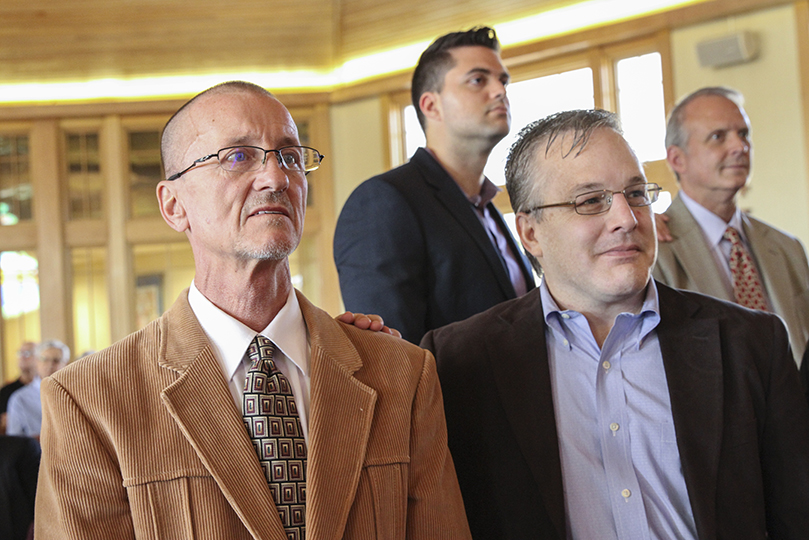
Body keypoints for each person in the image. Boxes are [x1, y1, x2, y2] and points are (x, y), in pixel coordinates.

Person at [35, 81, 470, 540]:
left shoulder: (402, 373)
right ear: (173, 204)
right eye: (238, 157)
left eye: (289, 156)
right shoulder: (91, 400)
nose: (276, 177)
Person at [423, 109, 809, 539]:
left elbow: (795, 514)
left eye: (637, 193)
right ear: (530, 233)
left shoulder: (751, 342)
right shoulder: (459, 361)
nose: (627, 218)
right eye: (590, 201)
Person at [334, 26, 535, 344]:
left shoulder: (487, 207)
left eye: (503, 80)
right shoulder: (383, 202)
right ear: (431, 106)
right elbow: (392, 358)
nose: (499, 90)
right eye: (478, 80)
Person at [654, 86, 809, 365]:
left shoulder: (788, 248)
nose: (740, 147)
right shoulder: (655, 250)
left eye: (743, 134)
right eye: (718, 137)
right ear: (677, 159)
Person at [6, 340, 69, 438]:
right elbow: (14, 439)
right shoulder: (20, 398)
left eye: (56, 360)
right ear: (37, 362)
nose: (50, 365)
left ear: (66, 364)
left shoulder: (74, 394)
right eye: (45, 359)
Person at [0, 341, 37, 434]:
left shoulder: (45, 387)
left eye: (28, 353)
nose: (22, 357)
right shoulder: (6, 391)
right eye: (20, 353)